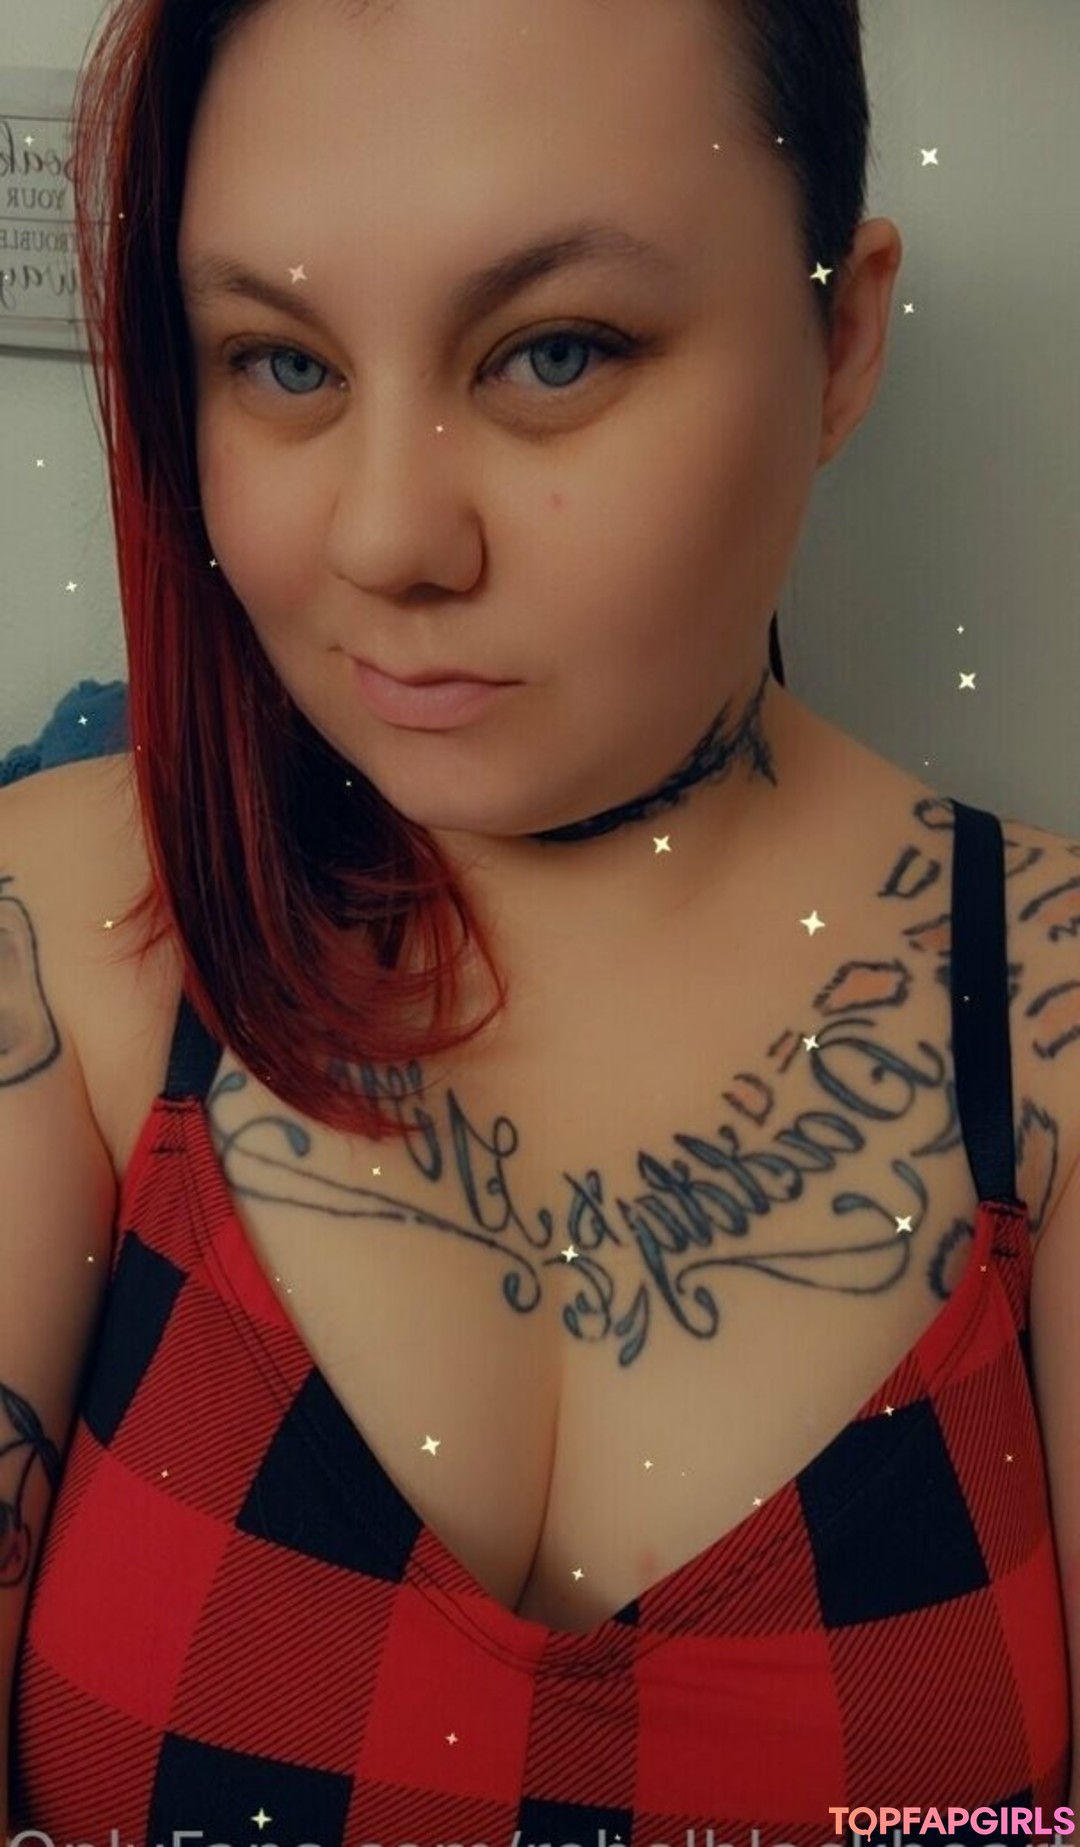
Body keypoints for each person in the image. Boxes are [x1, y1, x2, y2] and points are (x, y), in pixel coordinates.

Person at [1, 0, 1077, 1835]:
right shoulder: (68, 925)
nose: (387, 538)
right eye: (280, 362)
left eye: (554, 352)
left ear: (840, 341)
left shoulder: (1042, 1010)